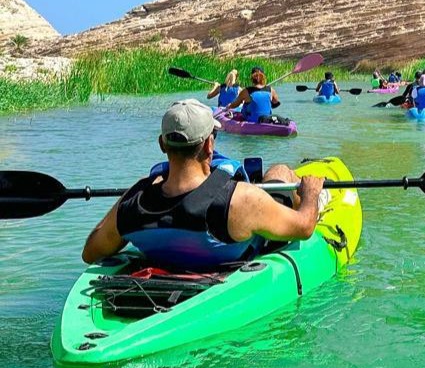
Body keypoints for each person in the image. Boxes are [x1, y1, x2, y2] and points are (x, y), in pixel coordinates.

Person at [81, 99, 325, 267]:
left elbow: (91, 252)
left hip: (164, 253)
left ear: (162, 144)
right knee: (280, 170)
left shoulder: (135, 201)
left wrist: (123, 205)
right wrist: (311, 193)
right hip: (239, 235)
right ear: (210, 145)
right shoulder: (242, 199)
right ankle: (320, 201)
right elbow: (304, 228)